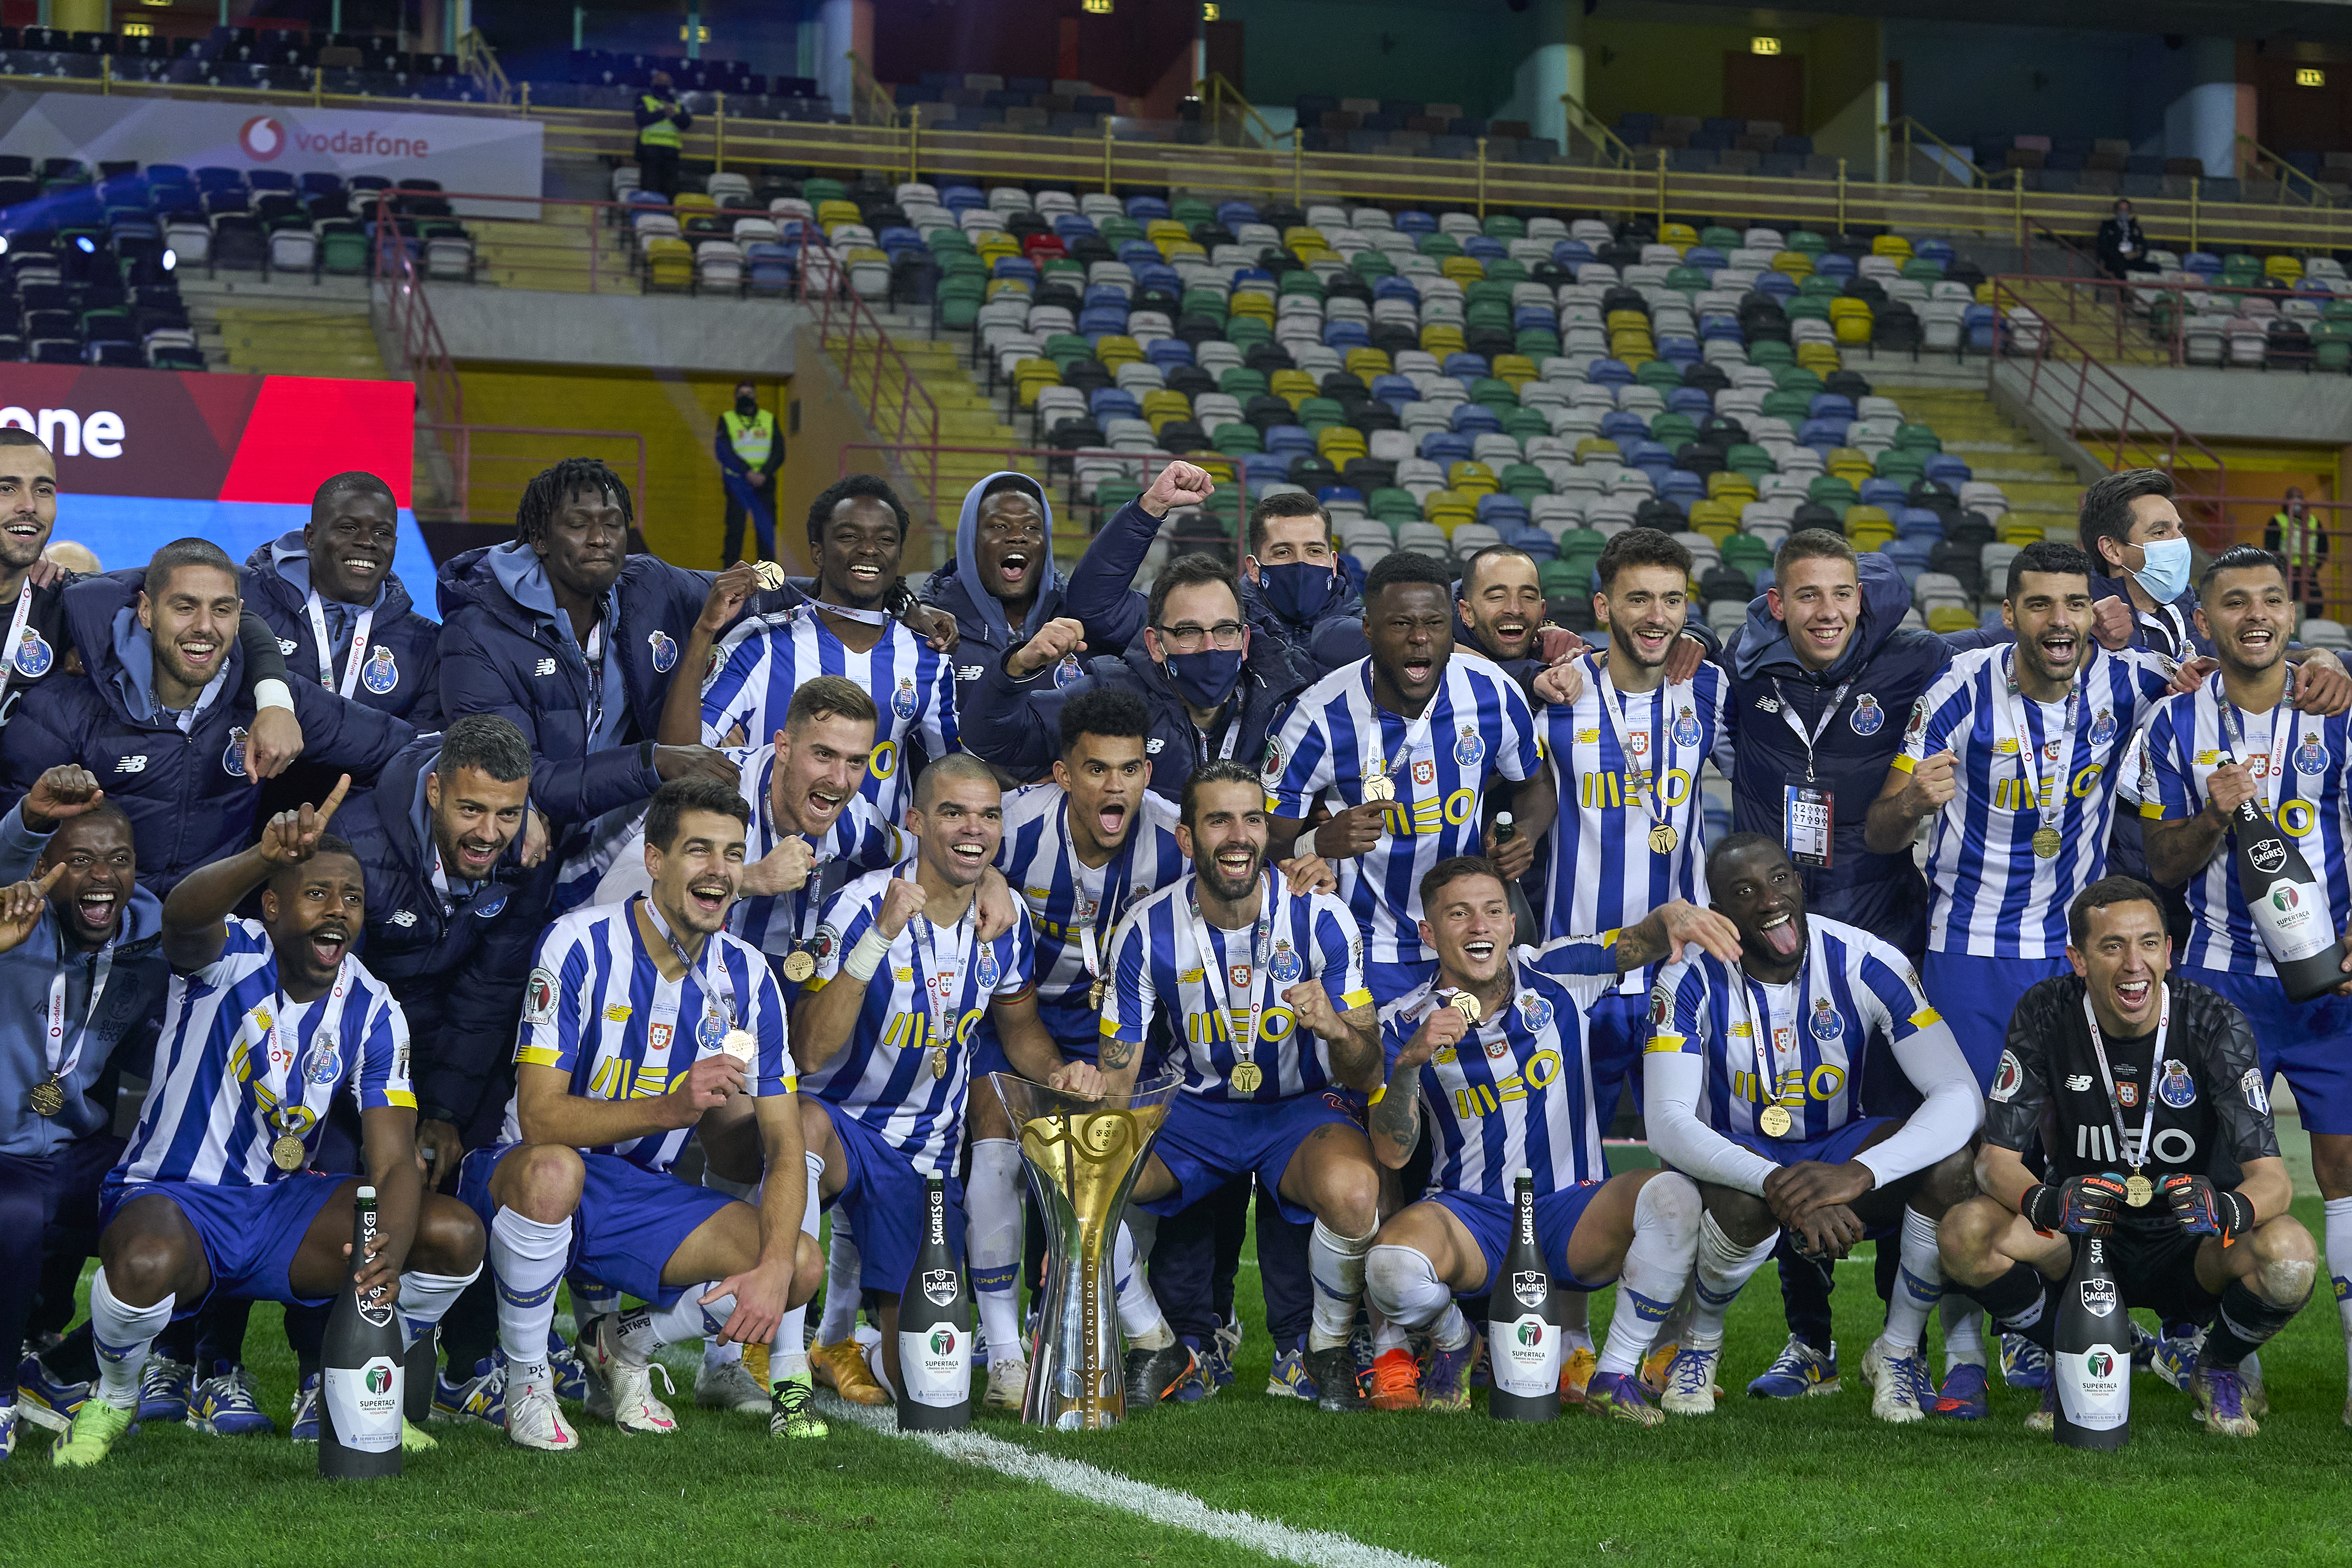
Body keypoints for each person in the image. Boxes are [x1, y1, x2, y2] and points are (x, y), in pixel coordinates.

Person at [50, 779, 486, 1468]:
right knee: (142, 1262)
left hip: (284, 1209)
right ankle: (115, 1393)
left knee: (451, 1235)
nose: (338, 913)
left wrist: (387, 1258)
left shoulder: (372, 1006)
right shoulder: (229, 954)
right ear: (275, 905)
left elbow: (396, 1163)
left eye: (352, 898)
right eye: (317, 895)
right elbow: (182, 918)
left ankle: (355, 1388)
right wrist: (264, 853)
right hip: (177, 1199)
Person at [459, 776, 822, 1449]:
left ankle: (624, 1343)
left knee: (798, 1263)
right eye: (699, 852)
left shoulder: (747, 978)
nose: (720, 872)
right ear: (655, 860)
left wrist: (772, 1271)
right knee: (553, 1172)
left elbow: (785, 1139)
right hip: (520, 1175)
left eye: (735, 854)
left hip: (637, 1195)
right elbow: (540, 1119)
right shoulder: (578, 943)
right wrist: (669, 1108)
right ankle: (529, 1380)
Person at [1939, 877, 2318, 1436]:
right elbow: (1994, 1160)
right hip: (2083, 1236)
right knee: (1964, 1232)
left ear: (2169, 952)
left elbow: (2274, 1183)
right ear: (2079, 959)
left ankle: (2216, 1368)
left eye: (2147, 943)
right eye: (2112, 946)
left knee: (2290, 1255)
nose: (2133, 963)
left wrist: (2226, 1210)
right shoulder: (2046, 1012)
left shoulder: (2214, 1021)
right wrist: (2045, 1202)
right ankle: (2069, 1351)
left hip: (2192, 1241)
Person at [1363, 858, 1736, 1424]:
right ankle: (1457, 1341)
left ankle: (1614, 1373)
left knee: (1675, 1197)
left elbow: (1642, 939)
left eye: (1493, 911)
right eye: (1458, 915)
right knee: (1389, 1267)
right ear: (1429, 934)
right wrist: (1412, 1064)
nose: (1479, 927)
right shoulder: (1400, 1022)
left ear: (1512, 925)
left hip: (1571, 1208)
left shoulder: (1559, 973)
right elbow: (1391, 1152)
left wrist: (1676, 918)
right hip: (1471, 1217)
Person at [791, 755, 1102, 1405]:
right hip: (841, 1129)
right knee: (804, 1128)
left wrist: (1058, 1072)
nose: (974, 828)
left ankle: (850, 1350)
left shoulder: (1004, 916)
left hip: (926, 1160)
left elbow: (1018, 1028)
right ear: (916, 821)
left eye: (989, 815)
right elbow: (810, 1050)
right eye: (954, 812)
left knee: (933, 1386)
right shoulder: (860, 904)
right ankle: (786, 1361)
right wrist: (880, 935)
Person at [1642, 835, 1984, 1422]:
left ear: (1800, 885)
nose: (1769, 901)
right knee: (1743, 1207)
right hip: (1740, 1156)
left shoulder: (1868, 959)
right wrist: (1779, 1182)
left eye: (1780, 880)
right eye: (1743, 892)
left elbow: (1960, 1095)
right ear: (1718, 909)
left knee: (1953, 1164)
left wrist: (1857, 1174)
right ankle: (1701, 1344)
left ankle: (1897, 1352)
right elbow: (1666, 1124)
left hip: (1836, 1150)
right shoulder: (1685, 978)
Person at [2137, 543, 2352, 1421]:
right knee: (2217, 1169)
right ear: (2206, 620)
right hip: (2224, 984)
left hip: (2334, 985)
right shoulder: (2173, 726)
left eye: (2271, 599)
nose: (2255, 614)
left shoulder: (2338, 710)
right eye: (2235, 602)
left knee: (2344, 1167)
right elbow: (2161, 860)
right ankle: (2228, 1351)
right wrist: (2215, 818)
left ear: (2291, 617)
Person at [1097, 762, 1382, 1412]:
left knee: (1355, 1190)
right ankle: (1154, 1344)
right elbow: (1118, 1080)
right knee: (1085, 1174)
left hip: (1298, 1111)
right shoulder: (1145, 930)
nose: (1238, 835)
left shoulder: (1323, 918)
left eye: (1252, 819)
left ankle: (1325, 1350)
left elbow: (1368, 1075)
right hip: (1194, 1113)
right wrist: (1099, 1129)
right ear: (1187, 839)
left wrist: (1337, 1030)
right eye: (1218, 820)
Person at [1866, 541, 2176, 1090]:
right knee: (1974, 1131)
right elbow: (1881, 834)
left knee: (2076, 1133)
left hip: (2078, 948)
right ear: (2009, 614)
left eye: (2075, 604)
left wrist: (2323, 662)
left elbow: (2243, 678)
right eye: (2039, 605)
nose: (2060, 622)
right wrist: (1912, 803)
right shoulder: (1959, 686)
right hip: (1970, 945)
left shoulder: (2135, 681)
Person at [318, 716, 557, 1425]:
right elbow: (324, 991)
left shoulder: (523, 856)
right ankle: (284, 1370)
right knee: (338, 1186)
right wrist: (382, 1109)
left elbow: (490, 995)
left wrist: (445, 1114)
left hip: (447, 1041)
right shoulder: (358, 844)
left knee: (476, 1156)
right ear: (433, 791)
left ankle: (465, 1361)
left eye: (509, 813)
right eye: (472, 809)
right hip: (338, 1051)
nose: (490, 832)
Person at [971, 687, 1189, 1404]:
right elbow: (932, 850)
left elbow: (1246, 872)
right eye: (1096, 769)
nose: (1114, 785)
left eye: (1129, 769)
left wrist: (1309, 856)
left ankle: (1146, 1338)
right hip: (1015, 1016)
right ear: (1063, 776)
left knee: (1091, 1159)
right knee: (999, 1134)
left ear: (1147, 775)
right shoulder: (1010, 830)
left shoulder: (1175, 841)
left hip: (1128, 1030)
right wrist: (987, 877)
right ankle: (1007, 1352)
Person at [2, 539, 412, 896]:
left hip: (213, 935)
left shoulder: (274, 698)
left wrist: (350, 834)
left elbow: (410, 756)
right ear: (146, 611)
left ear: (240, 617)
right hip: (91, 937)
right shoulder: (64, 708)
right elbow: (9, 849)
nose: (204, 627)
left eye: (221, 610)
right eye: (184, 607)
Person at [437, 458, 748, 912]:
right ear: (540, 539)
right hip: (513, 852)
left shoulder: (647, 585)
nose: (600, 538)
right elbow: (522, 780)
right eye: (579, 524)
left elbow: (744, 592)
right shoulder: (476, 634)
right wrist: (654, 762)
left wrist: (851, 593)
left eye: (613, 524)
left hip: (607, 838)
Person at [1263, 550, 1548, 1007]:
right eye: (1400, 625)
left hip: (1467, 945)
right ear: (1369, 630)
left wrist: (1526, 835)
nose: (1420, 639)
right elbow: (1264, 843)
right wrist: (1316, 842)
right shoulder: (1316, 719)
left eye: (1434, 624)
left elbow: (1535, 784)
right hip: (1359, 949)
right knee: (1378, 1077)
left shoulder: (1491, 691)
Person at [0, 769, 171, 1455]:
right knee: (13, 1217)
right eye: (78, 860)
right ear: (42, 870)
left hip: (75, 1145)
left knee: (187, 1217)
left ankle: (55, 1367)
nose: (102, 877)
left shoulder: (149, 937)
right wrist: (27, 825)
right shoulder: (12, 921)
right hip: (5, 1153)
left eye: (119, 860)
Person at [0, 430, 301, 768]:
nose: (28, 505)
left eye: (43, 490)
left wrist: (275, 702)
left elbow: (236, 618)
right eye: (7, 488)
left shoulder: (69, 601)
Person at [683, 476, 958, 827]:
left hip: (881, 873)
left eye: (885, 540)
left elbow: (952, 775)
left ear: (899, 555)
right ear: (818, 551)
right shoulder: (760, 643)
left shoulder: (928, 659)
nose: (869, 549)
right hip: (766, 863)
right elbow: (686, 752)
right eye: (849, 536)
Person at [971, 553, 1321, 806]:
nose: (1210, 647)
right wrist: (1018, 666)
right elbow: (992, 739)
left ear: (1244, 641)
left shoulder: (1284, 705)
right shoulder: (1110, 695)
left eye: (1225, 630)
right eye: (1188, 631)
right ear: (1155, 644)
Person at [1535, 528, 1733, 943]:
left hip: (1682, 956)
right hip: (1576, 952)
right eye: (1639, 599)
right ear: (1603, 608)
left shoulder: (1711, 687)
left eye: (1672, 600)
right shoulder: (1556, 690)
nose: (1658, 617)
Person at [923, 462, 1212, 714]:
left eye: (1032, 528)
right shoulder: (928, 626)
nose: (1017, 538)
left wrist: (1152, 507)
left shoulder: (1086, 620)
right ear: (968, 541)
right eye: (999, 527)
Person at [240, 471, 441, 730]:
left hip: (366, 773)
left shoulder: (425, 645)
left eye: (382, 533)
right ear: (310, 537)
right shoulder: (244, 598)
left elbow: (417, 751)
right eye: (349, 528)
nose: (367, 542)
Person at [1235, 493, 1361, 669]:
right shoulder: (1229, 634)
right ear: (1254, 569)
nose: (1301, 564)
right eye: (1283, 552)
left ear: (1333, 564)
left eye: (1315, 551)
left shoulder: (1368, 634)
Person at [716, 383, 782, 568]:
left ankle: (768, 578)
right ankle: (729, 572)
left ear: (756, 397)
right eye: (742, 393)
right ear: (736, 397)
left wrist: (764, 474)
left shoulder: (769, 419)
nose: (746, 396)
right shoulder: (727, 419)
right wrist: (748, 472)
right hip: (737, 483)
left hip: (764, 484)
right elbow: (723, 451)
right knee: (735, 530)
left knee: (766, 532)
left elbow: (779, 451)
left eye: (750, 393)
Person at [2264, 486, 2328, 620]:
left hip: (2309, 574)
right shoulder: (2277, 521)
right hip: (2287, 574)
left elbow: (2323, 549)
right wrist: (2285, 566)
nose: (2296, 501)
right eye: (2292, 498)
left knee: (2315, 604)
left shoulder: (2314, 522)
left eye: (2299, 497)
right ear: (2286, 502)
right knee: (2283, 604)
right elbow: (2271, 549)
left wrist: (2314, 568)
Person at [633, 71, 690, 200]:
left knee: (670, 190)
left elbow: (686, 123)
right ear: (653, 83)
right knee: (650, 189)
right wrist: (663, 113)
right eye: (661, 82)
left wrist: (673, 115)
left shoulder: (677, 103)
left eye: (667, 83)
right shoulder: (644, 98)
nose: (664, 85)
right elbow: (641, 120)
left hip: (671, 154)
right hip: (650, 153)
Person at [2094, 199, 2157, 282]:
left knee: (2155, 267)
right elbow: (2103, 247)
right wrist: (2121, 255)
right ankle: (2123, 292)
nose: (2123, 213)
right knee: (2119, 268)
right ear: (2116, 211)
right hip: (2114, 261)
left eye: (2126, 210)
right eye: (2121, 210)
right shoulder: (2107, 227)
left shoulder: (2134, 227)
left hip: (2132, 260)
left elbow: (2142, 245)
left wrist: (2136, 254)